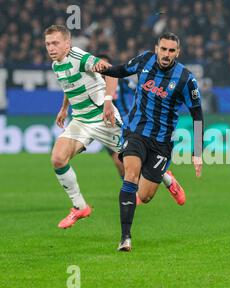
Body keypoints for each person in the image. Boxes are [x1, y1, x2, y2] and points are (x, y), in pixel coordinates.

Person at [94, 32, 204, 252]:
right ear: (157, 48)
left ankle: (166, 176)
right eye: (163, 49)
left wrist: (198, 151)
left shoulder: (186, 79)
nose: (166, 54)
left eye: (171, 50)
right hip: (135, 132)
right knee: (130, 176)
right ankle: (125, 237)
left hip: (161, 143)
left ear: (177, 53)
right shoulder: (144, 60)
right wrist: (100, 68)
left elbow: (197, 115)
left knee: (144, 195)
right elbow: (121, 70)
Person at [44, 24, 122, 228]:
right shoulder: (56, 65)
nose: (51, 48)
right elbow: (69, 86)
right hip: (80, 120)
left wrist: (107, 101)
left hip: (102, 117)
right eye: (48, 44)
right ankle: (80, 207)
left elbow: (111, 72)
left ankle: (166, 177)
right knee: (58, 159)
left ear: (67, 44)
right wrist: (63, 109)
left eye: (55, 43)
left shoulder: (79, 57)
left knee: (136, 161)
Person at [96, 54, 186, 205]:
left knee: (135, 159)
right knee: (120, 164)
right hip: (108, 128)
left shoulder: (123, 81)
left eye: (106, 65)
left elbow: (142, 90)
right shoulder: (93, 84)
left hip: (129, 126)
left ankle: (156, 184)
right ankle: (157, 181)